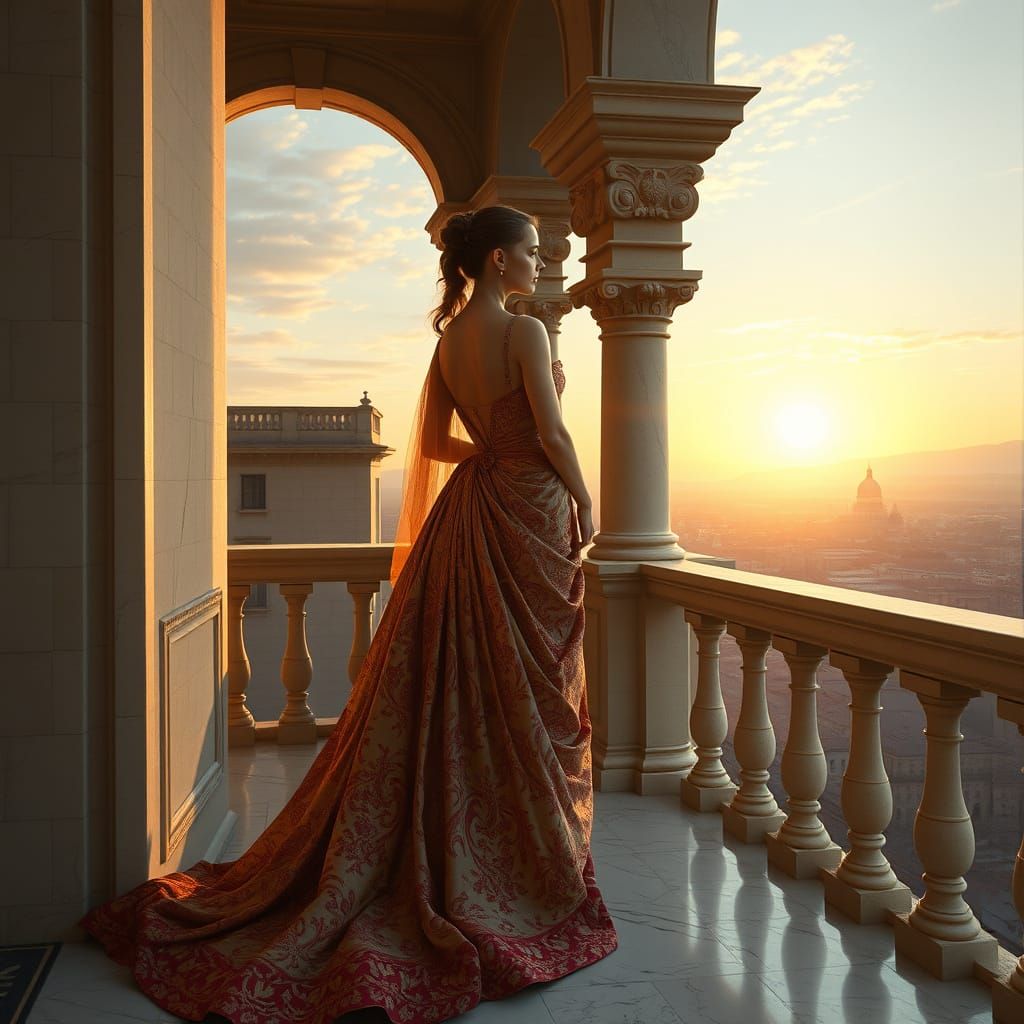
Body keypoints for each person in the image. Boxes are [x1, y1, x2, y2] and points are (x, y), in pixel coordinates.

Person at [80, 205, 618, 1023]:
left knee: (473, 684)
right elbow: (550, 428)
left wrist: (489, 457)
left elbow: (437, 447)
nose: (541, 265)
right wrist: (583, 497)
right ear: (502, 259)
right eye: (534, 253)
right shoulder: (525, 332)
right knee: (528, 685)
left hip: (475, 510)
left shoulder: (449, 344)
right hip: (531, 507)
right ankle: (517, 865)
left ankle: (468, 843)